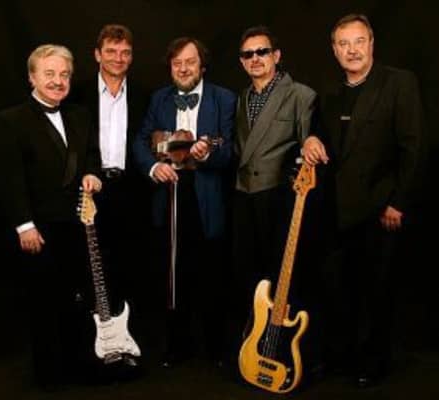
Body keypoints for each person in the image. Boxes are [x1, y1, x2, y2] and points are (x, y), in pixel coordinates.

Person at [303, 13, 423, 387]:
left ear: (371, 44)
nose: (352, 50)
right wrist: (310, 139)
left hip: (379, 208)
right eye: (344, 44)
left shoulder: (399, 83)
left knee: (376, 291)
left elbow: (414, 148)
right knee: (338, 289)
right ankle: (341, 357)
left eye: (359, 41)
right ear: (334, 50)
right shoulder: (329, 92)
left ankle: (373, 362)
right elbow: (318, 134)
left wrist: (398, 203)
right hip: (335, 212)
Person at [0, 44, 102, 390]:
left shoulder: (80, 115)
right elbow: (8, 177)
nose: (58, 81)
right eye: (49, 73)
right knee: (44, 302)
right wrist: (24, 225)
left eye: (64, 74)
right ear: (32, 77)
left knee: (77, 300)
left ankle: (79, 366)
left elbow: (91, 155)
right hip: (38, 228)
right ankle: (50, 376)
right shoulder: (10, 120)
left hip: (79, 224)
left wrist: (93, 173)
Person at [133, 37, 236, 367]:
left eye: (190, 62)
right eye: (177, 63)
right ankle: (178, 346)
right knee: (173, 273)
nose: (183, 68)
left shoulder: (224, 98)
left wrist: (209, 153)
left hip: (207, 194)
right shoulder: (159, 98)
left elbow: (231, 149)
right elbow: (140, 141)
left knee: (212, 272)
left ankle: (216, 350)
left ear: (202, 66)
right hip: (170, 193)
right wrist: (153, 167)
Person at [232, 25, 327, 360]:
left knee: (284, 278)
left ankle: (283, 350)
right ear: (242, 61)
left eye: (262, 52)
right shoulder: (242, 98)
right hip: (243, 197)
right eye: (248, 54)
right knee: (249, 276)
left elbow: (310, 136)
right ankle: (254, 345)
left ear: (276, 55)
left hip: (279, 198)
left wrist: (312, 139)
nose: (255, 59)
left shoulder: (301, 95)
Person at [71, 24, 149, 337]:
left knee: (128, 261)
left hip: (132, 188)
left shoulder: (144, 95)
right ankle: (93, 333)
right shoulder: (77, 94)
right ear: (97, 54)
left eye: (125, 52)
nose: (118, 58)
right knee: (89, 263)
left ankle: (125, 333)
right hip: (91, 186)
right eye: (111, 51)